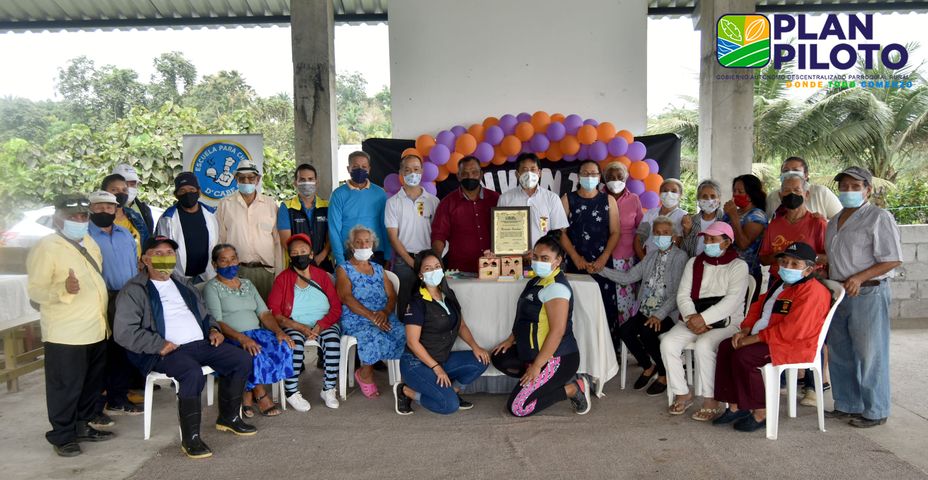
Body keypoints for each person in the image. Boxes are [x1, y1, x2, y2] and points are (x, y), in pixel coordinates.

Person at [115, 236, 256, 459]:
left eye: (169, 253)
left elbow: (206, 314)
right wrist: (158, 344)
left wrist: (213, 330)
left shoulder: (183, 284)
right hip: (164, 351)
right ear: (145, 259)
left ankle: (228, 418)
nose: (165, 258)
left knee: (241, 359)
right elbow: (124, 332)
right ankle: (191, 438)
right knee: (191, 373)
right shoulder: (134, 290)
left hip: (201, 343)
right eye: (158, 254)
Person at [710, 242, 832, 432]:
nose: (787, 267)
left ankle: (761, 412)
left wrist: (753, 339)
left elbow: (793, 330)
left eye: (794, 264)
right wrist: (745, 329)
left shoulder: (812, 292)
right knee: (727, 346)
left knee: (744, 356)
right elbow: (757, 307)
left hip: (792, 344)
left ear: (809, 269)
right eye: (784, 262)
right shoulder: (780, 283)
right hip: (767, 336)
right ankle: (736, 406)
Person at [27, 194, 112, 457]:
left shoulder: (90, 241)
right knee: (65, 387)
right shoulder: (46, 247)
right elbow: (35, 292)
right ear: (57, 219)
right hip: (66, 333)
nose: (78, 220)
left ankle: (82, 425)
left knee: (90, 384)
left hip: (96, 327)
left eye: (83, 216)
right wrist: (63, 289)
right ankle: (62, 436)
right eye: (71, 216)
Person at [825, 166, 902, 428]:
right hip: (839, 293)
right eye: (844, 186)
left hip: (868, 291)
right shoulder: (834, 221)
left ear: (867, 190)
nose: (848, 191)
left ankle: (876, 409)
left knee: (870, 353)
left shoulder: (879, 217)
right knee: (840, 352)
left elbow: (892, 258)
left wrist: (859, 277)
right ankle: (848, 404)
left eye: (855, 187)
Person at [490, 235, 592, 417]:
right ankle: (542, 383)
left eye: (545, 258)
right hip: (533, 351)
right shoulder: (536, 281)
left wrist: (537, 366)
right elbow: (524, 317)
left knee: (518, 408)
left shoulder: (556, 288)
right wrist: (510, 339)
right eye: (535, 257)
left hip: (557, 358)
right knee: (500, 356)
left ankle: (572, 389)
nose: (538, 262)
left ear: (557, 261)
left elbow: (557, 332)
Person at [661, 221, 748, 420]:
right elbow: (683, 295)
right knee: (668, 344)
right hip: (693, 318)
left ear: (726, 242)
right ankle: (682, 393)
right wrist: (693, 318)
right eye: (706, 239)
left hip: (727, 322)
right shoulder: (694, 262)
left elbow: (732, 302)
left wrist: (704, 318)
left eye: (713, 239)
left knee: (704, 345)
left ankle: (711, 399)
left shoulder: (738, 265)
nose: (707, 243)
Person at [598, 216, 688, 397]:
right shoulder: (651, 256)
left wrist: (659, 315)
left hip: (667, 313)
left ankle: (663, 374)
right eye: (657, 233)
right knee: (624, 331)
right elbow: (628, 277)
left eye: (665, 233)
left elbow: (677, 293)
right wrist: (600, 269)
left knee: (647, 332)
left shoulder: (680, 257)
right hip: (646, 310)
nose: (661, 236)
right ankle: (648, 366)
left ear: (673, 236)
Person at [393, 251, 490, 415]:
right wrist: (436, 368)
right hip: (416, 364)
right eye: (428, 268)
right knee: (449, 405)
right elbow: (412, 342)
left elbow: (461, 326)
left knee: (481, 360)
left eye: (437, 267)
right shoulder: (417, 302)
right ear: (420, 275)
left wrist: (475, 347)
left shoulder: (448, 295)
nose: (434, 271)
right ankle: (406, 391)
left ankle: (453, 391)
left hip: (442, 358)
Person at [267, 233, 343, 411]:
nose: (299, 255)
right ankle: (291, 391)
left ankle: (328, 389)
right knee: (294, 344)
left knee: (333, 342)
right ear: (290, 257)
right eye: (294, 253)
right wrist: (298, 326)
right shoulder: (282, 279)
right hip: (294, 323)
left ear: (311, 254)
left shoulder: (322, 276)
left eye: (303, 251)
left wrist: (321, 325)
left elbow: (336, 307)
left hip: (323, 322)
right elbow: (274, 312)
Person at [87, 191, 143, 417]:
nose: (104, 211)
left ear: (115, 209)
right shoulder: (85, 237)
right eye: (99, 207)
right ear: (91, 209)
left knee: (123, 349)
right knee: (102, 352)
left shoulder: (125, 234)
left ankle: (118, 398)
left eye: (109, 207)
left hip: (127, 296)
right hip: (101, 298)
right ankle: (96, 406)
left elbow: (134, 264)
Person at [335, 225, 406, 397]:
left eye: (367, 241)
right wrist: (373, 317)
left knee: (404, 332)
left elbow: (392, 295)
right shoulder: (343, 269)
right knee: (373, 335)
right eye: (358, 242)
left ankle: (405, 375)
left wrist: (384, 313)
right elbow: (346, 297)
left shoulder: (379, 269)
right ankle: (365, 374)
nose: (363, 245)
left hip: (383, 316)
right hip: (356, 318)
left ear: (373, 244)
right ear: (351, 245)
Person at [560, 160, 620, 335]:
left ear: (599, 177)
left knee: (603, 307)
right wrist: (575, 257)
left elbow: (615, 232)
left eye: (593, 173)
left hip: (602, 264)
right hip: (575, 264)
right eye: (585, 173)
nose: (589, 176)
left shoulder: (608, 200)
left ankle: (606, 348)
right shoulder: (567, 199)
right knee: (577, 309)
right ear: (579, 176)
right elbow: (560, 232)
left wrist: (604, 257)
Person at [216, 160, 282, 300]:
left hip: (266, 271)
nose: (246, 181)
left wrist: (279, 272)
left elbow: (277, 241)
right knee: (239, 311)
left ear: (258, 179)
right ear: (236, 179)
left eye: (251, 177)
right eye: (242, 178)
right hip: (236, 271)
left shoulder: (270, 204)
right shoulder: (225, 204)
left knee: (267, 310)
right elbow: (221, 240)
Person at [385, 154, 440, 317]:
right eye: (407, 170)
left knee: (431, 304)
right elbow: (393, 237)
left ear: (422, 171)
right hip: (404, 261)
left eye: (416, 169)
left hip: (429, 261)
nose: (412, 173)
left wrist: (431, 261)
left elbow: (439, 233)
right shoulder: (393, 202)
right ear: (401, 173)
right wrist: (411, 262)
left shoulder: (433, 201)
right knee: (404, 305)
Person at [430, 155, 500, 273]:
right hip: (460, 271)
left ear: (481, 174)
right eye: (465, 173)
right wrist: (436, 262)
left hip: (493, 268)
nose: (470, 176)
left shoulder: (495, 199)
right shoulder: (447, 203)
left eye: (474, 172)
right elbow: (439, 235)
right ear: (458, 176)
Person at [759, 173, 827, 284]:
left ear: (806, 194)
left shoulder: (818, 223)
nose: (792, 194)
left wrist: (803, 258)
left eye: (797, 190)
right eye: (787, 190)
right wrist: (781, 256)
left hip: (807, 282)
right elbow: (763, 259)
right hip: (777, 281)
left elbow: (829, 258)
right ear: (781, 196)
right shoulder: (774, 225)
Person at [328, 151, 391, 266]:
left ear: (369, 169)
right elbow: (334, 230)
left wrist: (388, 255)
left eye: (364, 167)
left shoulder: (380, 193)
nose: (360, 170)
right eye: (355, 167)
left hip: (376, 253)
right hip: (348, 253)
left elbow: (385, 225)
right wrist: (340, 260)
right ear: (348, 169)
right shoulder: (338, 194)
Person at [155, 172, 219, 282]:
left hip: (207, 276)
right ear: (176, 195)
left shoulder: (212, 214)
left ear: (199, 192)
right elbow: (161, 250)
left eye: (191, 189)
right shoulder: (167, 219)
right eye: (182, 191)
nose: (187, 194)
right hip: (179, 278)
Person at [497, 153, 570, 248]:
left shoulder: (552, 198)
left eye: (533, 169)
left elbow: (559, 232)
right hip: (515, 254)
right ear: (517, 174)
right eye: (524, 170)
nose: (529, 174)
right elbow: (501, 232)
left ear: (539, 173)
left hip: (543, 254)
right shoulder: (505, 199)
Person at [603, 161, 643, 327]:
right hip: (602, 256)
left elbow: (641, 228)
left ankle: (624, 337)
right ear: (605, 180)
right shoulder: (598, 198)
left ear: (626, 178)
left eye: (619, 177)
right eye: (611, 177)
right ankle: (607, 337)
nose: (615, 180)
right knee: (604, 300)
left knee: (624, 302)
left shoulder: (634, 199)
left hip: (625, 257)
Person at [278, 163, 332, 272]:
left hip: (323, 262)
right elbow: (285, 241)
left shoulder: (327, 206)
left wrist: (321, 256)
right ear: (295, 183)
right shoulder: (286, 207)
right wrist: (303, 259)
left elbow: (331, 235)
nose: (307, 183)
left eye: (310, 179)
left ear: (316, 182)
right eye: (302, 179)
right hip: (297, 264)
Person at [722, 174, 768, 299]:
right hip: (725, 270)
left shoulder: (757, 216)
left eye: (740, 191)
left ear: (751, 194)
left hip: (746, 274)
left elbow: (743, 244)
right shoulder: (732, 212)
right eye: (734, 191)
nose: (736, 194)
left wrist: (733, 217)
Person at [765, 156, 842, 219]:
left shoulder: (821, 193)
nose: (790, 173)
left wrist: (823, 223)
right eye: (785, 171)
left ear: (806, 175)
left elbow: (841, 222)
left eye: (795, 170)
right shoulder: (773, 197)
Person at [635, 178, 686, 258]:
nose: (669, 194)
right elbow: (638, 240)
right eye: (665, 190)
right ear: (659, 193)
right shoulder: (650, 214)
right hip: (649, 259)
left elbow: (684, 244)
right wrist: (644, 261)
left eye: (673, 191)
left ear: (681, 195)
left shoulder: (684, 216)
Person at [101, 173, 150, 253]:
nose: (120, 193)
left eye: (124, 190)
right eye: (114, 190)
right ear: (104, 192)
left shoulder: (135, 216)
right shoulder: (95, 219)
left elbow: (147, 244)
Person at [681, 179, 725, 257]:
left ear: (719, 198)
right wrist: (686, 232)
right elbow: (685, 251)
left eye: (713, 196)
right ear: (698, 199)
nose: (709, 200)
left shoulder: (725, 219)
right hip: (696, 262)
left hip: (718, 263)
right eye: (704, 196)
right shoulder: (692, 221)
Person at [112, 163, 155, 233]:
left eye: (132, 184)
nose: (128, 188)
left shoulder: (145, 210)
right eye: (124, 184)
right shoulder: (104, 210)